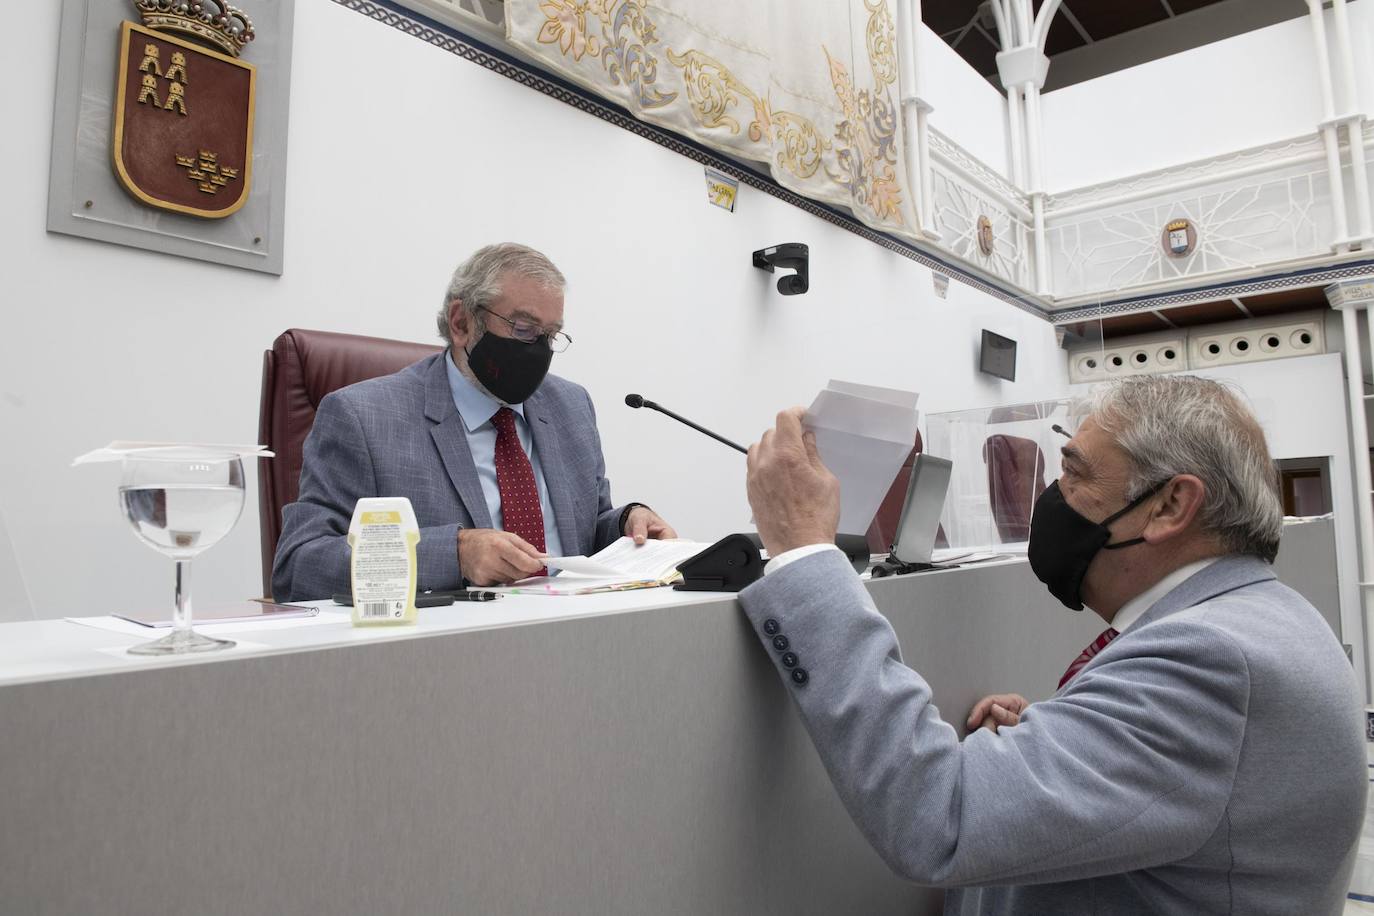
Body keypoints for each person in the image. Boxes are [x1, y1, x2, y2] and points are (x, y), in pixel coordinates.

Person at [739, 375, 1364, 914]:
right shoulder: (1261, 616)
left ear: (1170, 504)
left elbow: (937, 818)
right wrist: (1059, 740)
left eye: (1075, 473)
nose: (1053, 498)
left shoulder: (1211, 660)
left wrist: (803, 554)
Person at [273, 243, 675, 601]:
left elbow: (581, 535)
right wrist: (455, 554)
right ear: (462, 323)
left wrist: (626, 525)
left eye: (550, 337)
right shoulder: (363, 417)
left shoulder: (570, 406)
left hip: (572, 636)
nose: (538, 351)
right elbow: (301, 565)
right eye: (523, 329)